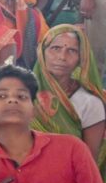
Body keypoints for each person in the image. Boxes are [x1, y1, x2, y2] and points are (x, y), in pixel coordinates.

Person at [32, 25, 106, 172]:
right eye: (55, 48)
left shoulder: (90, 103)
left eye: (71, 51)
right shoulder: (22, 93)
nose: (62, 57)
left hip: (68, 177)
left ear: (81, 58)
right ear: (42, 52)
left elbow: (89, 159)